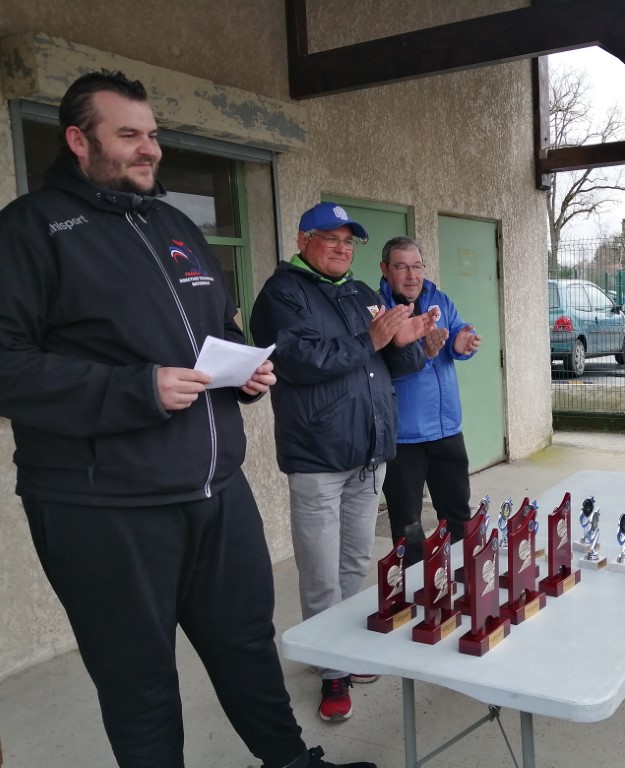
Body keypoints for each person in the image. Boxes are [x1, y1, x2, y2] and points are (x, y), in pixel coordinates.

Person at [0, 71, 371, 768]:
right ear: (79, 141)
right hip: (103, 505)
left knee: (247, 645)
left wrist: (246, 375)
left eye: (154, 135)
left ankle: (292, 763)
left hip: (214, 491)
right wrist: (135, 388)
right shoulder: (31, 230)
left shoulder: (174, 226)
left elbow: (216, 329)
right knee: (138, 680)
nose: (150, 150)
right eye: (129, 135)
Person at [249, 204, 431, 724]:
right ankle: (331, 670)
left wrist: (411, 344)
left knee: (355, 562)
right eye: (330, 239)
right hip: (317, 455)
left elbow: (391, 363)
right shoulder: (283, 293)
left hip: (368, 450)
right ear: (304, 239)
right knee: (321, 571)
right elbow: (300, 363)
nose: (342, 249)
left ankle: (347, 648)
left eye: (349, 242)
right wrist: (372, 339)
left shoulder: (362, 293)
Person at [377, 236, 481, 564]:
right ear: (385, 270)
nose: (412, 275)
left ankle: (464, 588)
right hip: (402, 437)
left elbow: (457, 333)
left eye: (417, 266)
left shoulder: (440, 299)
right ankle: (416, 596)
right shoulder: (376, 308)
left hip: (447, 429)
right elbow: (379, 364)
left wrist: (461, 343)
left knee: (459, 517)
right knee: (407, 527)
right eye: (402, 267)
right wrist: (421, 349)